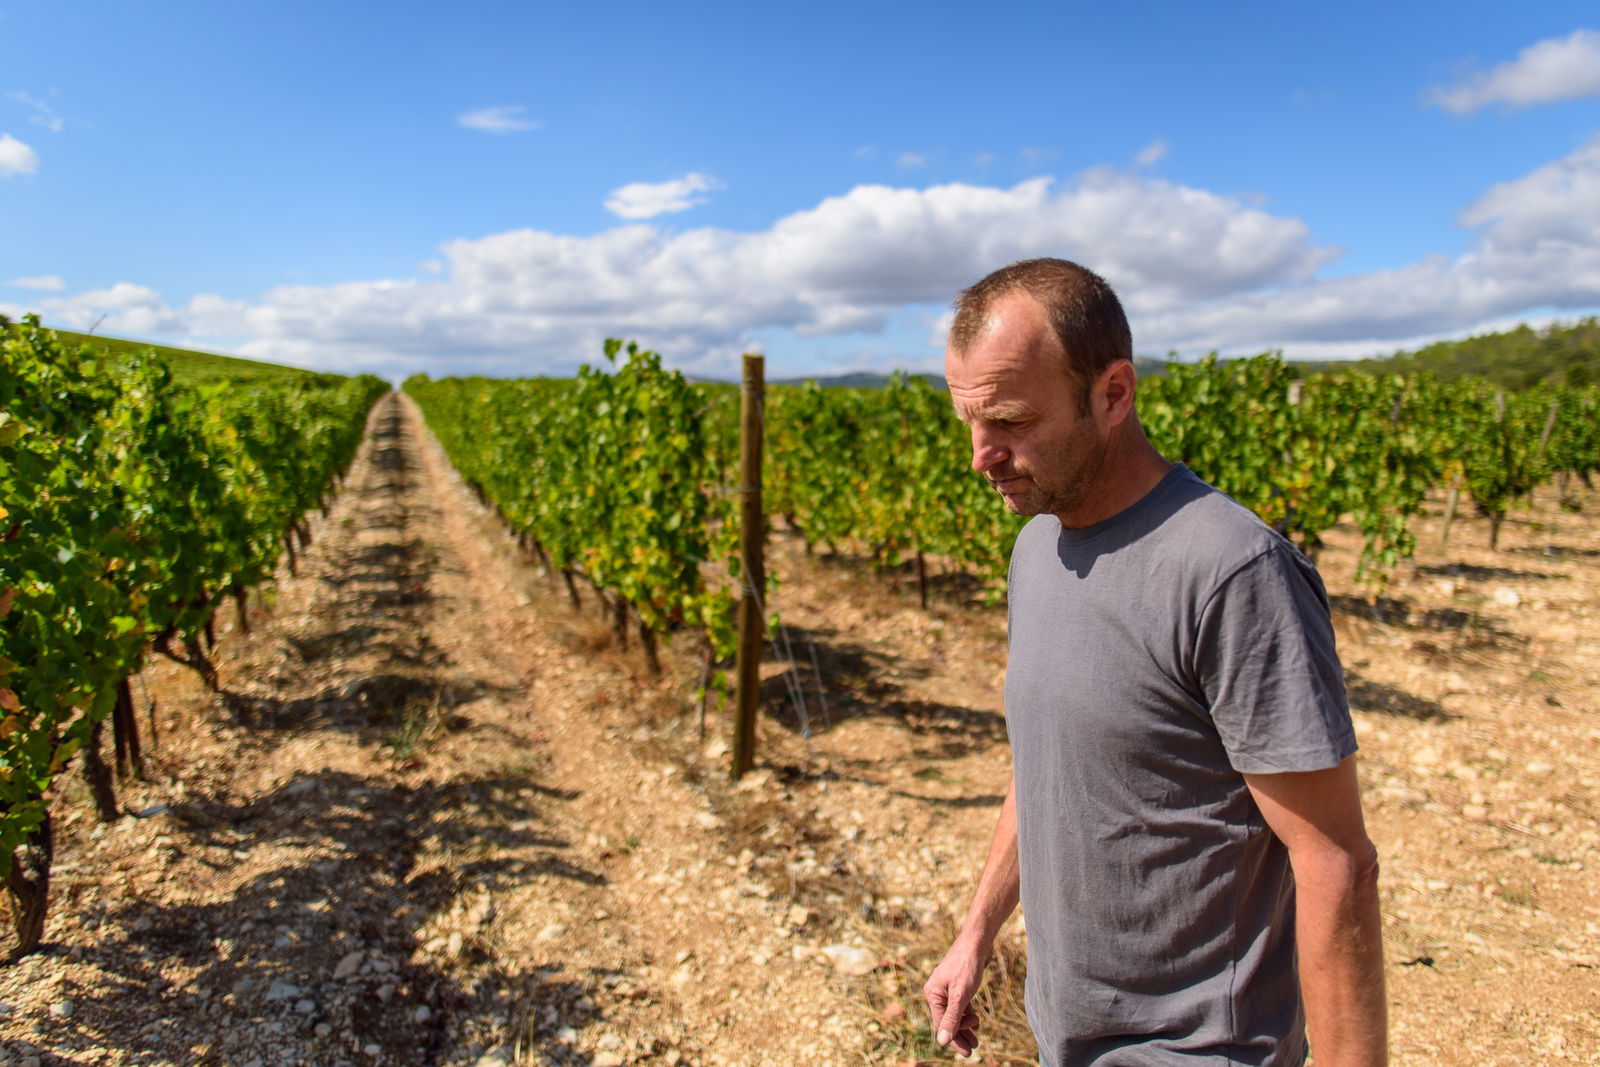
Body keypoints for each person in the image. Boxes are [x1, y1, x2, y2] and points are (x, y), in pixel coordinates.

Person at [922, 258, 1387, 1066]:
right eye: (970, 420)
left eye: (1011, 421)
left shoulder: (1233, 572)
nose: (980, 456)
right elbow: (1050, 763)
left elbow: (1335, 863)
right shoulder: (1038, 548)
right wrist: (976, 933)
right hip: (1066, 1035)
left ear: (1113, 394)